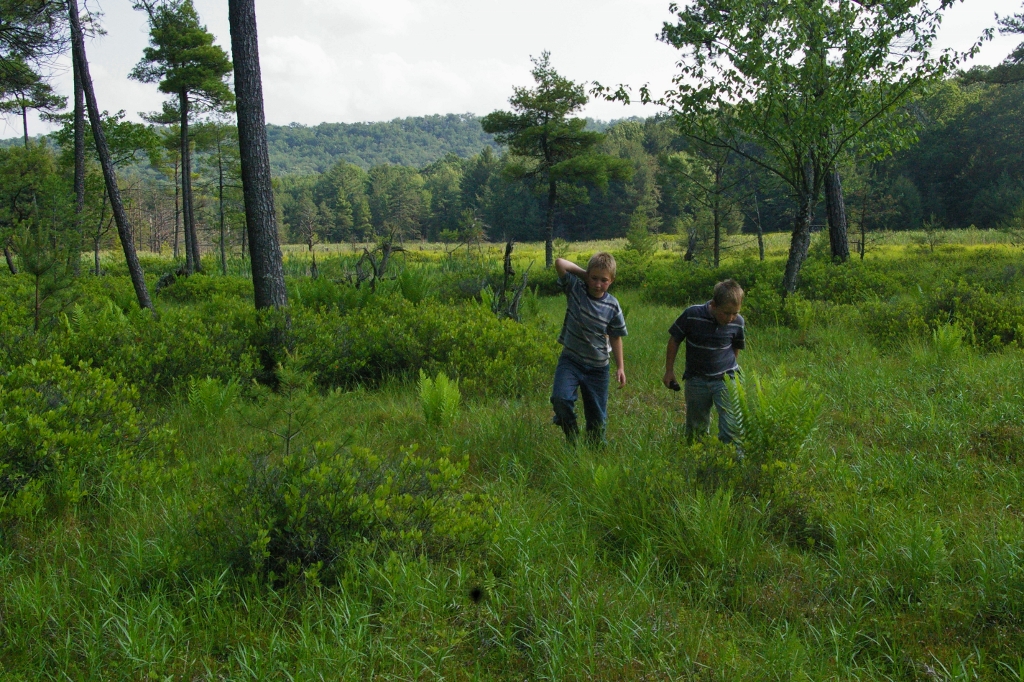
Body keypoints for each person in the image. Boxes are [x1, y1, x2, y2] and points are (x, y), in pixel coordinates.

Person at [550, 253, 628, 444]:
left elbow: (616, 337)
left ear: (612, 281)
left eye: (604, 280)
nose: (598, 284)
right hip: (571, 361)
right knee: (561, 399)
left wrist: (620, 367)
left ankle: (595, 452)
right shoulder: (575, 289)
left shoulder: (612, 305)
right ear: (587, 275)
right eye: (594, 278)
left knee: (597, 419)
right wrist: (584, 274)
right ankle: (572, 437)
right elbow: (560, 263)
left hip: (598, 368)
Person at [662, 279, 745, 443]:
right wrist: (669, 370)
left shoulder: (738, 322)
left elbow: (735, 347)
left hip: (726, 379)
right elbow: (674, 340)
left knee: (732, 425)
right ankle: (699, 460)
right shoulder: (692, 314)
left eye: (735, 312)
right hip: (696, 379)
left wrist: (727, 371)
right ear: (714, 305)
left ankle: (732, 459)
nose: (731, 318)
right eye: (726, 312)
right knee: (695, 428)